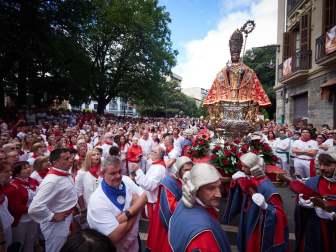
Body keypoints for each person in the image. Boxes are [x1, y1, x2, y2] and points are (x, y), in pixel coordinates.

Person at [223, 153, 289, 252]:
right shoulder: (252, 177)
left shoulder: (266, 187)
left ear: (254, 168)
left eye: (245, 166)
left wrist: (266, 207)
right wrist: (237, 180)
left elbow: (279, 214)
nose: (242, 169)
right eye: (242, 165)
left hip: (258, 223)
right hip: (250, 216)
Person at [162, 163, 231, 252]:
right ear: (195, 190)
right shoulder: (204, 238)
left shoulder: (183, 202)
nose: (219, 194)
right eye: (211, 188)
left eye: (219, 187)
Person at [87, 156, 148, 252]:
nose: (118, 176)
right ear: (102, 174)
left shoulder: (126, 180)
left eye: (120, 171)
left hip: (135, 243)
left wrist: (125, 215)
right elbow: (115, 236)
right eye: (113, 173)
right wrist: (135, 208)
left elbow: (144, 198)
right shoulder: (97, 201)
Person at [202, 28, 271, 108]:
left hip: (240, 89)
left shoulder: (243, 66)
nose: (235, 56)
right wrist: (227, 71)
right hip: (230, 88)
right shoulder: (227, 66)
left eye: (237, 55)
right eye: (234, 55)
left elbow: (250, 74)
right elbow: (220, 77)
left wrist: (243, 72)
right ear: (231, 56)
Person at [28, 149, 77, 252]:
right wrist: (51, 216)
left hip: (65, 219)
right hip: (56, 225)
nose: (71, 160)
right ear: (55, 163)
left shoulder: (63, 174)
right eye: (66, 159)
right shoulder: (52, 181)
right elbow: (34, 208)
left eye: (70, 157)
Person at [146, 156, 193, 252]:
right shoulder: (169, 182)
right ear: (178, 170)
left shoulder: (188, 181)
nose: (189, 172)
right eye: (186, 170)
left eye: (191, 169)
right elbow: (170, 208)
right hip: (166, 223)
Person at [294, 147, 336, 252]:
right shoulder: (311, 182)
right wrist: (301, 205)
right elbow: (300, 210)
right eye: (321, 164)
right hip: (314, 229)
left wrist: (333, 216)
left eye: (327, 165)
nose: (322, 168)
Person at [7, 161, 39, 252]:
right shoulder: (13, 187)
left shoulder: (33, 181)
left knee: (31, 240)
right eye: (25, 168)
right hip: (21, 220)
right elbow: (16, 208)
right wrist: (36, 209)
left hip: (33, 217)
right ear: (16, 173)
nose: (29, 169)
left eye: (28, 167)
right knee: (19, 243)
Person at [129, 146, 167, 220]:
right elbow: (153, 166)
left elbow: (150, 185)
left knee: (152, 222)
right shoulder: (157, 164)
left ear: (157, 155)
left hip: (153, 201)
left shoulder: (159, 168)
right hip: (149, 198)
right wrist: (149, 159)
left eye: (152, 151)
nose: (150, 152)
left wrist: (138, 170)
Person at [0, 163, 14, 251]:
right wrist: (1, 243)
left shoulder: (2, 187)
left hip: (6, 226)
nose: (10, 173)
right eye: (6, 171)